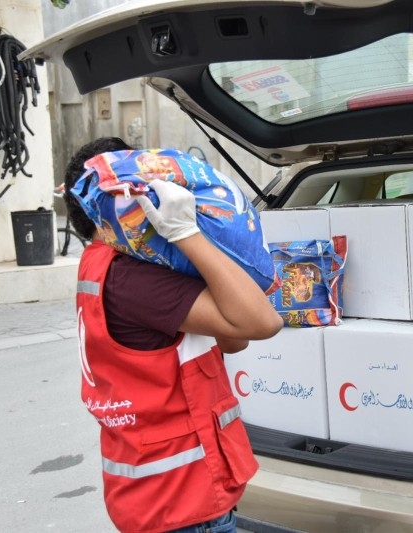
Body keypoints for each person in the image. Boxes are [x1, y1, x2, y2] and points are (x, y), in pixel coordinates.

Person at [64, 137, 283, 533]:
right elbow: (262, 323)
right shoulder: (133, 278)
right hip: (182, 502)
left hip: (158, 493)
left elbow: (234, 339)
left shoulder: (107, 264)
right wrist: (186, 234)